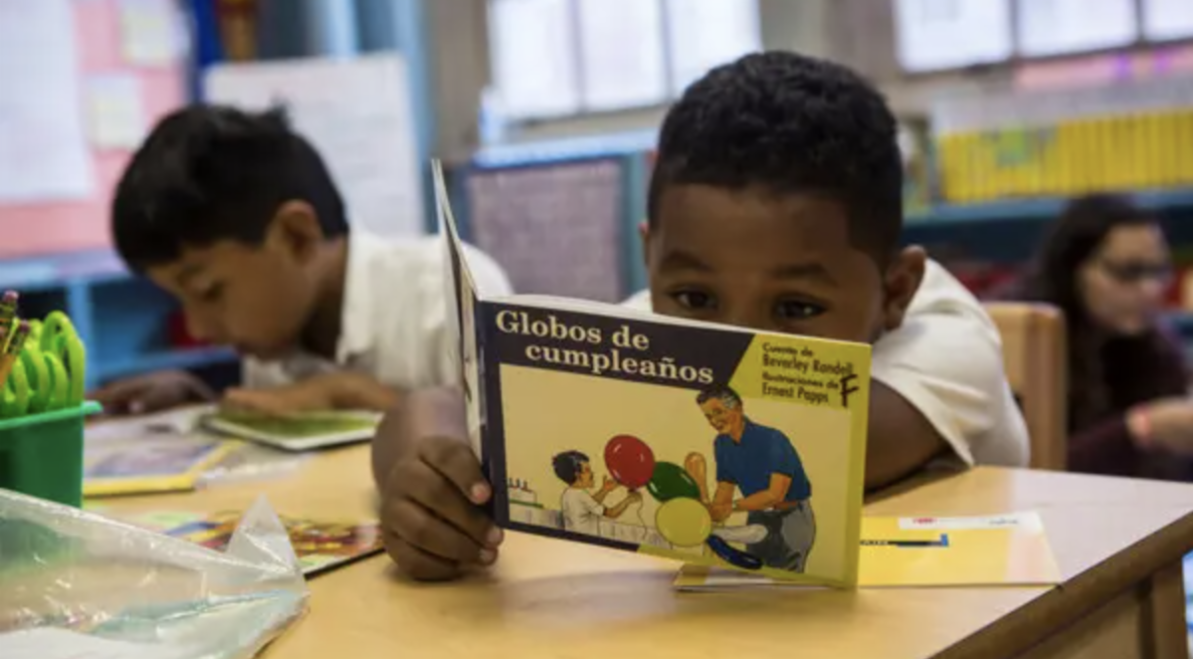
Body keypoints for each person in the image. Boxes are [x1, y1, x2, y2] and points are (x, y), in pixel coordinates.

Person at [372, 51, 1029, 581]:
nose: (731, 350)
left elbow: (822, 453)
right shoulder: (650, 323)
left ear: (896, 290)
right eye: (695, 298)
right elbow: (435, 405)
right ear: (650, 260)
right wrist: (436, 483)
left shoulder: (949, 338)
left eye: (795, 307)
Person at [92, 105, 511, 416]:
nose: (198, 329)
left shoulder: (449, 288)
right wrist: (200, 407)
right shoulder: (274, 340)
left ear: (296, 236)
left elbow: (516, 453)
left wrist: (349, 395)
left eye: (209, 291)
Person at [1014, 194, 1192, 480]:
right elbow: (1021, 473)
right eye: (1127, 272)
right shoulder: (1018, 341)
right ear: (1074, 269)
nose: (1150, 289)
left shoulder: (1154, 344)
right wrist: (1137, 430)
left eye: (1158, 271)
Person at [694, 386, 815, 573]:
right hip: (757, 515)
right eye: (708, 417)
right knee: (756, 573)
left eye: (718, 412)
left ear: (738, 408)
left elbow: (775, 494)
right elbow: (724, 492)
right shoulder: (722, 444)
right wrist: (711, 512)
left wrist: (730, 507)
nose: (714, 421)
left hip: (791, 518)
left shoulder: (772, 439)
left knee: (786, 578)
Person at [551, 451, 642, 536]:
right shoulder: (580, 495)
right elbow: (611, 513)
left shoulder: (569, 493)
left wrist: (605, 489)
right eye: (587, 470)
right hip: (586, 541)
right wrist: (628, 500)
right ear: (577, 475)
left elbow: (589, 506)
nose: (592, 473)